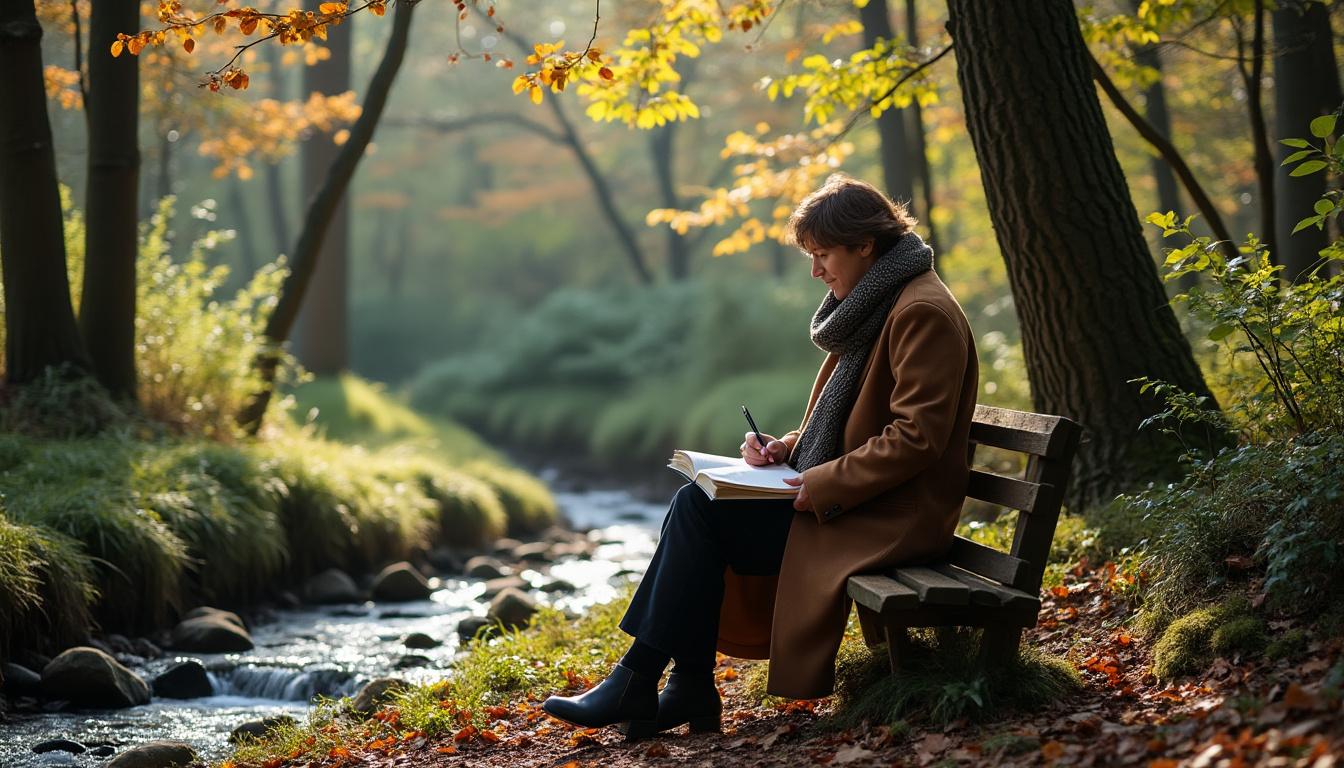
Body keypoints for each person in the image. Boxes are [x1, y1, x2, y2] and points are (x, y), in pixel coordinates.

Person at [541, 173, 979, 739]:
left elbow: (917, 436)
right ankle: (676, 684)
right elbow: (851, 424)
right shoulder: (883, 301)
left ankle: (656, 681)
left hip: (890, 517)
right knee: (696, 504)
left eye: (823, 255)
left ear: (865, 245)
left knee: (699, 516)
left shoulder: (921, 312)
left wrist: (819, 482)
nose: (816, 270)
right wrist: (787, 449)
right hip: (861, 501)